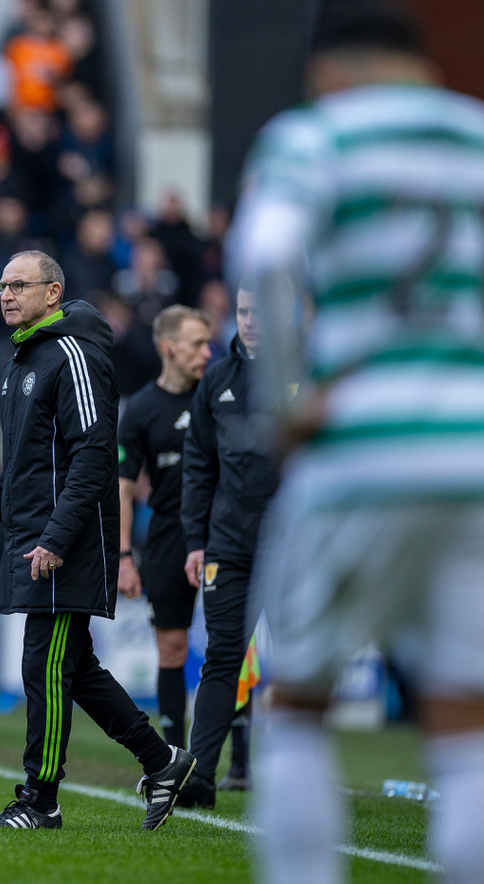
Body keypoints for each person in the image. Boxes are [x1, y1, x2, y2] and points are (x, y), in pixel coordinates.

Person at [228, 4, 484, 882]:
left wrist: (287, 404)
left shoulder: (316, 136)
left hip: (365, 446)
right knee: (466, 720)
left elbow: (265, 254)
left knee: (296, 700)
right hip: (475, 452)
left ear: (329, 69)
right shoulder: (474, 136)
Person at [0, 250, 195, 831]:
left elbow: (95, 455)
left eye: (20, 284)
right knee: (74, 666)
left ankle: (41, 800)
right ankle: (162, 760)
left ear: (53, 293)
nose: (7, 294)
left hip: (66, 543)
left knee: (43, 665)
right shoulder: (23, 360)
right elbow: (19, 463)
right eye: (2, 285)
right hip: (34, 536)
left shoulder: (73, 355)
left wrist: (59, 537)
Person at [177, 284, 277, 808]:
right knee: (221, 659)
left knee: (302, 665)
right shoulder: (215, 380)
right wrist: (197, 540)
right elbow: (199, 468)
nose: (251, 320)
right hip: (229, 545)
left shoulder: (310, 370)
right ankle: (199, 779)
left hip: (292, 548)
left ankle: (290, 783)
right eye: (243, 310)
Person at [117, 306, 211, 750]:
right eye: (197, 344)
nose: (207, 353)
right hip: (168, 537)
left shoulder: (217, 395)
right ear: (169, 349)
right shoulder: (139, 409)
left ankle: (239, 762)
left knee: (230, 652)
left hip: (221, 534)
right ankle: (175, 756)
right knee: (172, 648)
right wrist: (123, 557)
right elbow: (122, 485)